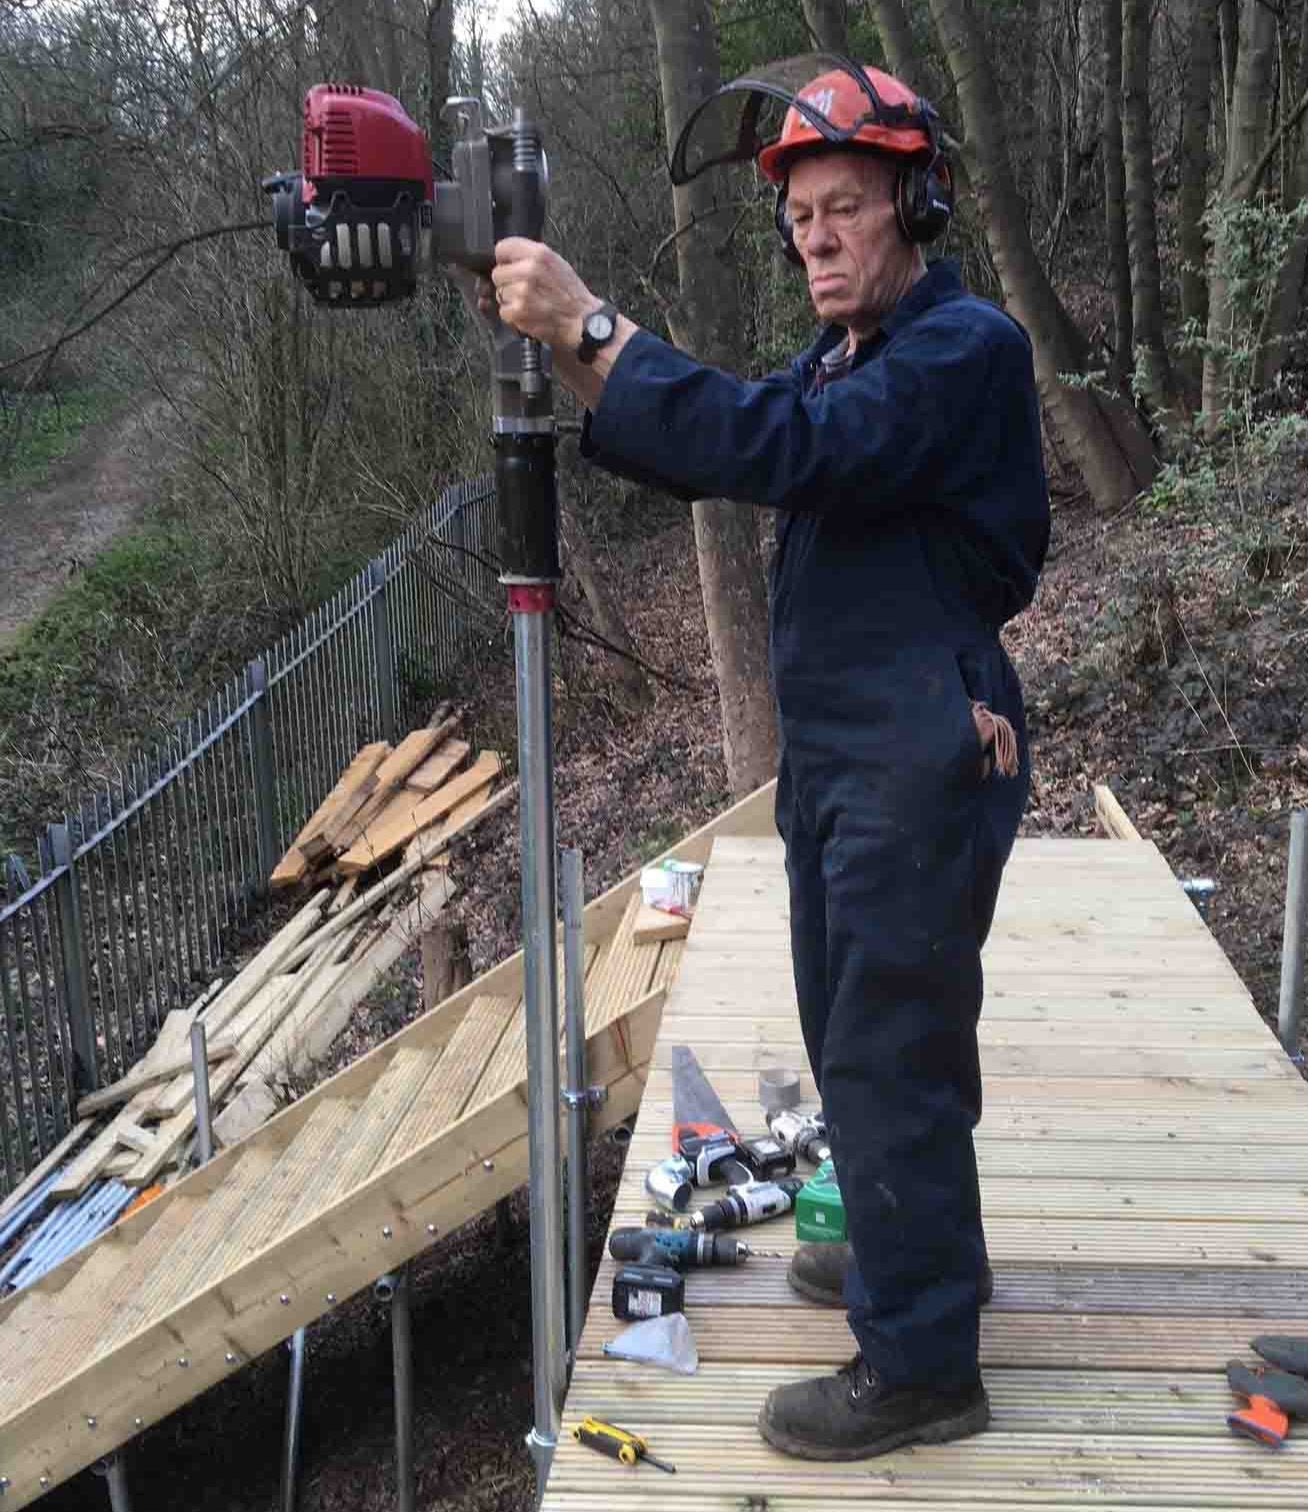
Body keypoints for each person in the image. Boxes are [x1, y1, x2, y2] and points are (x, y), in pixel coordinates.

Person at [476, 57, 1049, 1461]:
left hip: (915, 740)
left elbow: (780, 444)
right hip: (855, 750)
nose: (818, 238)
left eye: (846, 207)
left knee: (889, 1052)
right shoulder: (852, 355)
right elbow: (723, 438)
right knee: (873, 1045)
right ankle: (930, 1272)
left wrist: (598, 322)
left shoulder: (957, 349)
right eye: (800, 218)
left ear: (914, 205)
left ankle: (922, 1369)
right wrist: (582, 363)